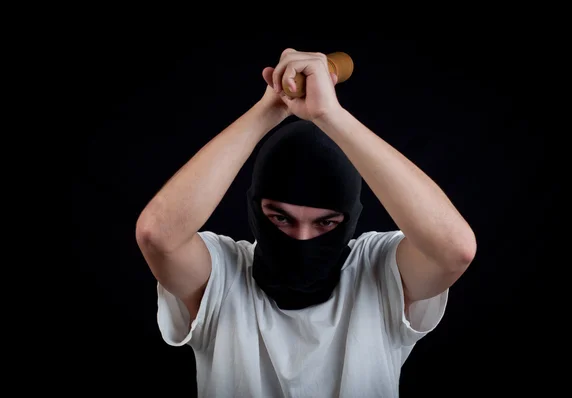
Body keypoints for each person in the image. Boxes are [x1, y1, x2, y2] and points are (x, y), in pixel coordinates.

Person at [135, 48, 477, 397]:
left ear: (350, 218)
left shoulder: (379, 271)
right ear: (255, 207)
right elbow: (157, 234)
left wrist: (331, 115)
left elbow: (455, 249)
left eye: (325, 224)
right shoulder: (222, 275)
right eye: (280, 218)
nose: (301, 238)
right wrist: (269, 108)